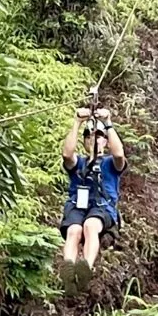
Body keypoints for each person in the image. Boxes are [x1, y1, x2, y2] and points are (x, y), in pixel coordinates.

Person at [59, 107, 126, 296]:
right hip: (77, 205)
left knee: (89, 226)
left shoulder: (110, 164)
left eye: (98, 136)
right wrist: (77, 122)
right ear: (85, 141)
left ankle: (85, 268)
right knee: (74, 230)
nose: (94, 139)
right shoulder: (78, 163)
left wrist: (108, 123)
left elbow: (119, 154)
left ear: (105, 140)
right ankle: (69, 270)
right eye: (89, 136)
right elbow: (66, 154)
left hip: (101, 207)